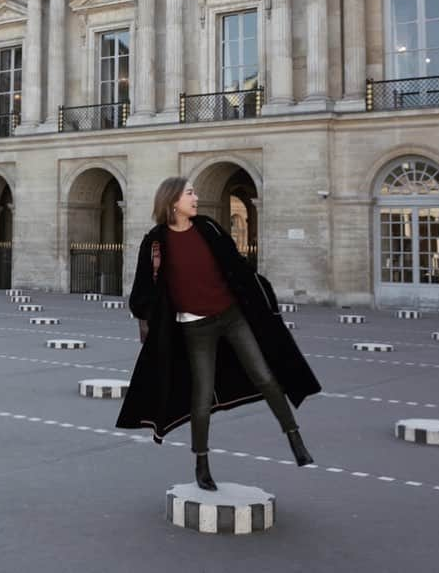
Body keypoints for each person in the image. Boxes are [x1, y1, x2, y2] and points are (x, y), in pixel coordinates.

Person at [116, 177, 320, 491]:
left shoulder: (208, 228)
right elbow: (143, 288)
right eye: (189, 193)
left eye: (195, 192)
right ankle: (201, 462)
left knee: (265, 376)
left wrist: (258, 292)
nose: (196, 197)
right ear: (172, 201)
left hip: (232, 316)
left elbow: (236, 265)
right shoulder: (155, 241)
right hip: (194, 326)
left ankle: (294, 437)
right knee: (201, 395)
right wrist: (146, 315)